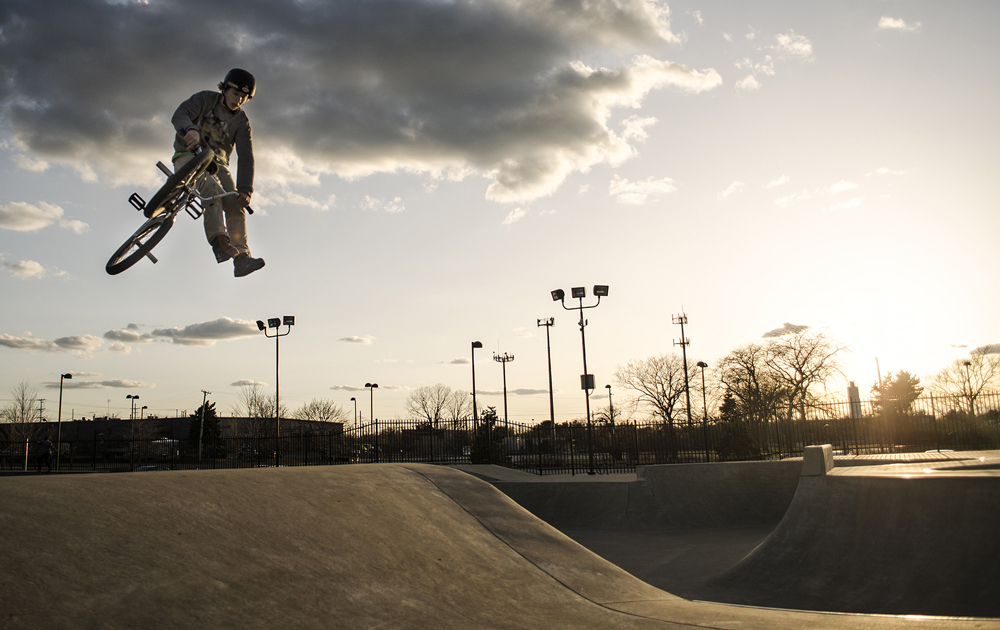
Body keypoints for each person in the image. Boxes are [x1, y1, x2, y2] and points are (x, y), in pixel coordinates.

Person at [170, 69, 265, 277]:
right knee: (211, 188)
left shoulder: (241, 122)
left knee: (234, 200)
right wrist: (189, 130)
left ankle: (241, 258)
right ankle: (220, 241)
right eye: (235, 93)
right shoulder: (205, 99)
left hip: (216, 164)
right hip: (189, 154)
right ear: (225, 89)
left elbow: (246, 156)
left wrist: (245, 190)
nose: (238, 100)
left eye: (243, 97)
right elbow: (180, 114)